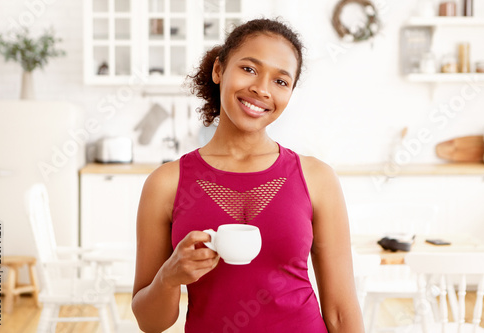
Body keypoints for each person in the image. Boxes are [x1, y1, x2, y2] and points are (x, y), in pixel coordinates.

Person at [132, 18, 365, 333]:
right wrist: (170, 277)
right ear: (219, 70)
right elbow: (150, 323)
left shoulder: (317, 179)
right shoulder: (166, 183)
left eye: (281, 81)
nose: (261, 89)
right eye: (249, 69)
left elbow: (340, 313)